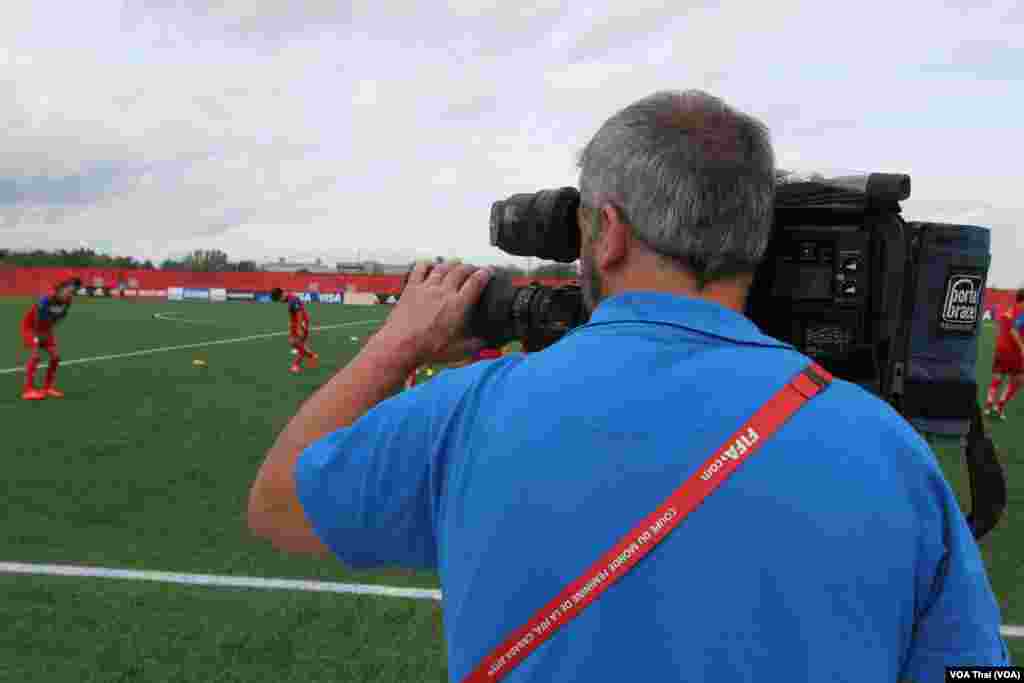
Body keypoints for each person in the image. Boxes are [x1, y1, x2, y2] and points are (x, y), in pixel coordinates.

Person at [247, 91, 1007, 682]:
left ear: (606, 232)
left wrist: (397, 344)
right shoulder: (892, 454)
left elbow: (278, 501)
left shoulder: (471, 413)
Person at [21, 278, 80, 400]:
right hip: (31, 328)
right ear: (61, 289)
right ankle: (28, 390)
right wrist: (37, 337)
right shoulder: (46, 298)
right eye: (68, 291)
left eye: (72, 292)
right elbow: (37, 318)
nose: (69, 294)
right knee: (36, 356)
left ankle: (47, 388)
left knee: (55, 357)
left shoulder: (67, 302)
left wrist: (49, 330)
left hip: (46, 329)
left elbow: (59, 317)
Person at [985, 289, 1024, 419]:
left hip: (1000, 349)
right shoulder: (1022, 311)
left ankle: (989, 405)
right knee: (1018, 379)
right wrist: (1022, 347)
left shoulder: (1010, 309)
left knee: (997, 377)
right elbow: (1014, 330)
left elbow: (1004, 328)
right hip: (1014, 352)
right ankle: (999, 406)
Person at [270, 288, 319, 374]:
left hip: (301, 324)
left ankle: (297, 364)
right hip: (296, 324)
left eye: (279, 299)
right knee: (297, 344)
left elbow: (299, 313)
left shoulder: (293, 300)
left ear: (282, 295)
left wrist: (299, 328)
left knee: (296, 343)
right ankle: (311, 355)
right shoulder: (290, 299)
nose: (280, 302)